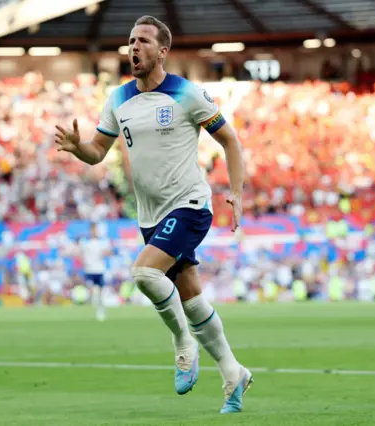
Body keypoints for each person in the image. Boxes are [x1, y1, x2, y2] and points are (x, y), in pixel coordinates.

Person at [55, 15, 251, 414]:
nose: (134, 47)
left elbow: (229, 140)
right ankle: (233, 373)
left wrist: (236, 192)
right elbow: (98, 153)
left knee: (145, 273)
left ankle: (183, 342)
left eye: (143, 41)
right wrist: (79, 149)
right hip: (151, 215)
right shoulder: (118, 100)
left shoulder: (186, 94)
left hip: (190, 204)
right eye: (130, 41)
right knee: (191, 297)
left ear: (162, 51)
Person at [80, 222, 112, 321]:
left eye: (96, 229)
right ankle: (94, 309)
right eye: (93, 229)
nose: (94, 231)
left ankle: (100, 310)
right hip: (89, 270)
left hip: (99, 269)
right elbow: (80, 253)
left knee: (100, 292)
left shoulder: (102, 242)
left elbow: (109, 252)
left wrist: (106, 252)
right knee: (93, 291)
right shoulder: (85, 242)